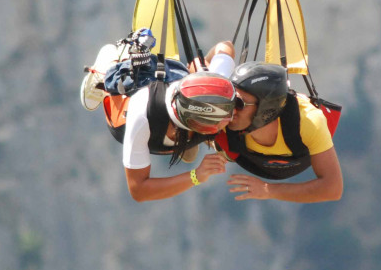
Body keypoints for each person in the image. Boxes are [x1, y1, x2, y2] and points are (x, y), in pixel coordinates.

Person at [118, 41, 238, 202]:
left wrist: (203, 69)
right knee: (113, 78)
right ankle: (105, 64)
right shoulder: (143, 113)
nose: (235, 113)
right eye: (221, 119)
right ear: (202, 127)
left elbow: (225, 47)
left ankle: (188, 144)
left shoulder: (216, 89)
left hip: (182, 119)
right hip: (125, 120)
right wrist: (196, 176)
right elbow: (138, 190)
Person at [217, 62, 343, 203]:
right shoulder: (223, 114)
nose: (231, 110)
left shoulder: (309, 122)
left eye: (239, 104)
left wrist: (268, 190)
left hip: (299, 158)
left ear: (265, 109)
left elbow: (332, 189)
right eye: (230, 100)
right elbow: (225, 48)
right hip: (246, 156)